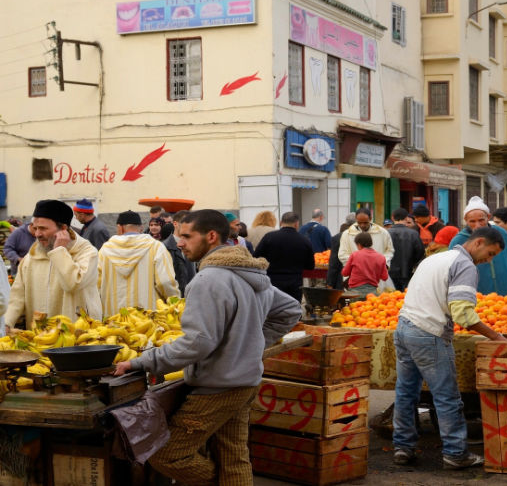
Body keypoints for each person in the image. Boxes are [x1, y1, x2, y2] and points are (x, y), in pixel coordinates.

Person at [113, 209, 303, 486]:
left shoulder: (208, 279)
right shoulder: (248, 271)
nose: (179, 243)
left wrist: (141, 361)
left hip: (217, 388)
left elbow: (197, 343)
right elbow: (290, 309)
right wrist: (250, 342)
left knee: (167, 455)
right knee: (234, 458)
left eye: (187, 236)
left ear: (211, 236)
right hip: (244, 382)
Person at [393, 227, 507, 469]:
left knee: (406, 393)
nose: (488, 260)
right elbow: (463, 313)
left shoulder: (436, 257)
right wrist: (495, 336)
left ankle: (403, 447)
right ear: (478, 243)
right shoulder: (464, 266)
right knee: (447, 397)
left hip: (404, 327)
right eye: (490, 253)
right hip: (429, 333)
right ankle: (455, 454)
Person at [5, 200, 102, 331]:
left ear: (63, 229)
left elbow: (72, 284)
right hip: (39, 340)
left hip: (78, 341)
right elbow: (16, 297)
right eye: (35, 228)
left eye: (43, 228)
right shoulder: (31, 258)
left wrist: (59, 252)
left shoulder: (87, 254)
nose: (37, 234)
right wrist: (6, 323)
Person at [98, 211, 180, 314]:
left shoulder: (104, 250)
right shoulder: (156, 247)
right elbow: (165, 282)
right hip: (147, 317)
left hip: (113, 316)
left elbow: (96, 284)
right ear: (141, 227)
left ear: (120, 227)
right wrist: (175, 304)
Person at [449, 197, 507, 297]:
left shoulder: (502, 234)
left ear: (488, 217)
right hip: (479, 295)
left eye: (481, 220)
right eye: (472, 221)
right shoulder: (458, 241)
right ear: (465, 220)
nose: (478, 225)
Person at [254, 212, 315, 302]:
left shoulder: (269, 237)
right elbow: (310, 266)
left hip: (272, 282)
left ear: (281, 222)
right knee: (293, 311)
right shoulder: (304, 241)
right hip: (295, 283)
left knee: (273, 311)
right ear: (296, 224)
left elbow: (256, 257)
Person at [387, 208, 425, 291]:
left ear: (392, 218)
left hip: (390, 272)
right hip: (408, 271)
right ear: (406, 218)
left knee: (391, 298)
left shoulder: (386, 233)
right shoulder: (413, 233)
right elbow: (420, 252)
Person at [342, 233, 389, 298]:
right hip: (372, 293)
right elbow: (385, 277)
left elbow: (345, 273)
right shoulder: (381, 257)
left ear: (359, 244)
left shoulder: (355, 255)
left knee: (354, 308)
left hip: (355, 292)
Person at [326, 223, 351, 290]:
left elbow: (334, 263)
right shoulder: (364, 235)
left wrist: (330, 283)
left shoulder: (337, 238)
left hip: (341, 278)